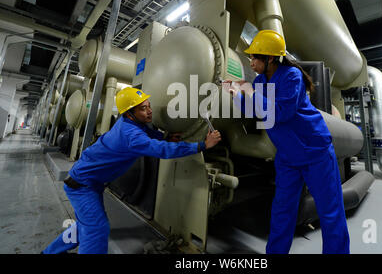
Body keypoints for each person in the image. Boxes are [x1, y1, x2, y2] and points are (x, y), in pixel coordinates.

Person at [42, 87, 221, 254]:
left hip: (89, 183)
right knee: (96, 228)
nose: (149, 111)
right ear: (130, 113)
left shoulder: (131, 124)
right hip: (82, 186)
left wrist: (165, 136)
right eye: (143, 108)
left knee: (83, 226)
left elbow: (148, 135)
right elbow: (160, 150)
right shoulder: (130, 135)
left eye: (148, 106)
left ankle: (48, 252)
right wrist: (202, 145)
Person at [224, 30, 350, 254]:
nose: (250, 61)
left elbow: (280, 112)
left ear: (270, 58)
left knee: (330, 212)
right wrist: (236, 93)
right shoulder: (262, 80)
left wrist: (250, 91)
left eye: (254, 57)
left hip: (315, 152)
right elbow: (253, 110)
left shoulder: (291, 76)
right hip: (287, 157)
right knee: (282, 211)